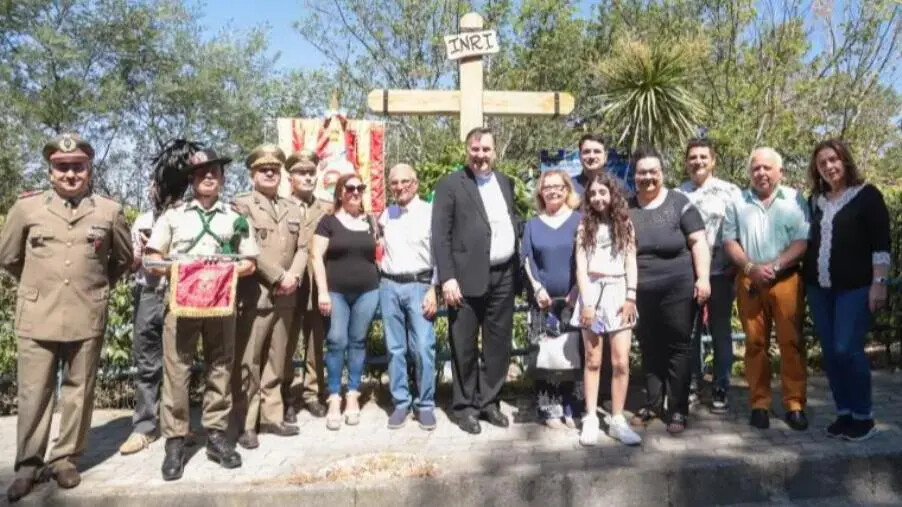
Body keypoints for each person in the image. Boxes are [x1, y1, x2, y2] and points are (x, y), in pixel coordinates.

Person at [0, 133, 132, 502]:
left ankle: (65, 458)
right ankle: (28, 464)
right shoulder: (26, 209)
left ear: (89, 169)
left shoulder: (108, 211)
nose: (71, 174)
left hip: (86, 311)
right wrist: (40, 285)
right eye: (63, 167)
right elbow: (9, 257)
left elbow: (122, 259)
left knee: (79, 390)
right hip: (37, 312)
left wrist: (95, 288)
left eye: (78, 167)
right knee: (33, 392)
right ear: (50, 171)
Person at [145, 148, 258, 480]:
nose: (210, 177)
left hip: (222, 305)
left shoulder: (235, 217)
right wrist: (187, 272)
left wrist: (219, 275)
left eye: (215, 172)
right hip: (181, 307)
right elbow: (153, 259)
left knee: (220, 367)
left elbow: (249, 261)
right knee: (177, 370)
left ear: (222, 179)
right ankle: (176, 439)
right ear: (192, 180)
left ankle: (216, 435)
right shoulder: (174, 216)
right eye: (202, 173)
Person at [432, 127, 520, 435]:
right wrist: (447, 278)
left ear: (495, 152)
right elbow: (440, 236)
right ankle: (465, 407)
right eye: (475, 149)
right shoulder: (450, 185)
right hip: (464, 279)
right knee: (464, 345)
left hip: (504, 274)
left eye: (486, 149)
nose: (480, 155)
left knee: (498, 344)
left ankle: (488, 402)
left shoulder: (505, 183)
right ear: (466, 150)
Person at [803, 139, 890, 441]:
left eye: (833, 160)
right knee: (830, 353)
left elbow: (881, 245)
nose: (829, 166)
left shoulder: (867, 196)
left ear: (845, 161)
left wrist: (879, 283)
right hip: (819, 289)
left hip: (855, 288)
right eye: (822, 163)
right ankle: (844, 413)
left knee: (847, 349)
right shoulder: (815, 200)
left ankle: (863, 416)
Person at [723, 147, 810, 431]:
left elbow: (802, 241)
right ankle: (759, 404)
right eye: (756, 168)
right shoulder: (737, 202)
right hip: (750, 279)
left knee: (791, 342)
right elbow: (730, 242)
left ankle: (794, 404)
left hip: (786, 279)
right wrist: (750, 268)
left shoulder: (795, 199)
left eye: (767, 168)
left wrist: (776, 265)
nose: (761, 172)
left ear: (779, 172)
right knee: (755, 344)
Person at [627, 146, 710, 435]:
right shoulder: (627, 208)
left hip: (679, 288)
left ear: (662, 173)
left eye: (653, 172)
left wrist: (703, 279)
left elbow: (698, 241)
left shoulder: (679, 202)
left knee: (678, 348)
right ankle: (652, 404)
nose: (647, 177)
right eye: (641, 173)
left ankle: (677, 409)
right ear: (633, 175)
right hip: (641, 292)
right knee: (649, 348)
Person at [231, 144, 307, 449]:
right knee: (249, 361)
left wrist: (295, 276)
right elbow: (246, 249)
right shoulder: (242, 205)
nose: (270, 173)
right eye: (264, 169)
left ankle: (272, 416)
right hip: (257, 294)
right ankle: (246, 423)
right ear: (252, 175)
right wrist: (278, 276)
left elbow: (302, 247)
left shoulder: (291, 207)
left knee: (278, 358)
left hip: (287, 294)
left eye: (275, 169)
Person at [572, 172, 641, 446]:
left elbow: (631, 262)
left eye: (603, 192)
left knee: (621, 361)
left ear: (612, 194)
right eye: (593, 194)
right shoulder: (583, 226)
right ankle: (590, 417)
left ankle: (617, 419)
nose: (599, 198)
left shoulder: (625, 223)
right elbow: (580, 265)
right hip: (592, 293)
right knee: (593, 360)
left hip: (620, 293)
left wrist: (631, 296)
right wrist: (587, 303)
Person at [676, 138, 742, 413]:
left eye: (704, 157)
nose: (698, 162)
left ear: (713, 160)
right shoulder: (677, 194)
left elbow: (741, 231)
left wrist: (738, 268)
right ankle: (691, 384)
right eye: (693, 157)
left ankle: (720, 385)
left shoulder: (730, 192)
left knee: (721, 333)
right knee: (688, 334)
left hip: (721, 273)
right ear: (686, 162)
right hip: (687, 275)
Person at [312, 172, 381, 430]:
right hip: (336, 292)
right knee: (336, 340)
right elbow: (316, 256)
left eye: (360, 188)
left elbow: (381, 252)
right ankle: (333, 396)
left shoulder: (371, 223)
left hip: (368, 290)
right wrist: (322, 291)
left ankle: (352, 393)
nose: (355, 192)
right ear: (340, 192)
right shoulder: (328, 222)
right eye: (350, 188)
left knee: (357, 341)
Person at [379, 163, 439, 431]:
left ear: (416, 183)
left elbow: (441, 255)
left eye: (405, 181)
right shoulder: (386, 214)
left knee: (423, 348)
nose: (400, 187)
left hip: (420, 284)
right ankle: (401, 403)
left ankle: (425, 404)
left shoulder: (430, 212)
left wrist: (434, 289)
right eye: (394, 182)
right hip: (389, 285)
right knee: (394, 348)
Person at [520, 169, 582, 430]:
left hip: (573, 299)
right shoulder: (532, 225)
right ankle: (549, 408)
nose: (553, 191)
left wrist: (577, 290)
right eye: (547, 187)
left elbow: (587, 257)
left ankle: (573, 406)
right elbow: (526, 259)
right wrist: (537, 289)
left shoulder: (580, 220)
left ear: (567, 190)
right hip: (543, 301)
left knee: (572, 355)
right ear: (540, 193)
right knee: (545, 356)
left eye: (559, 187)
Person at [282, 151, 332, 421]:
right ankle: (287, 395)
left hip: (316, 283)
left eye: (311, 172)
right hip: (288, 282)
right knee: (287, 342)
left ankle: (313, 393)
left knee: (315, 341)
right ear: (291, 177)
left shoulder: (325, 208)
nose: (308, 177)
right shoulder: (280, 206)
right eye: (302, 173)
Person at [119, 183, 167, 455]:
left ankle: (177, 426)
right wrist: (139, 256)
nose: (156, 190)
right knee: (146, 359)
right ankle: (145, 427)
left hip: (179, 292)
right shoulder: (142, 220)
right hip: (148, 291)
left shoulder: (185, 216)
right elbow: (130, 264)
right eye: (153, 185)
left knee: (177, 361)